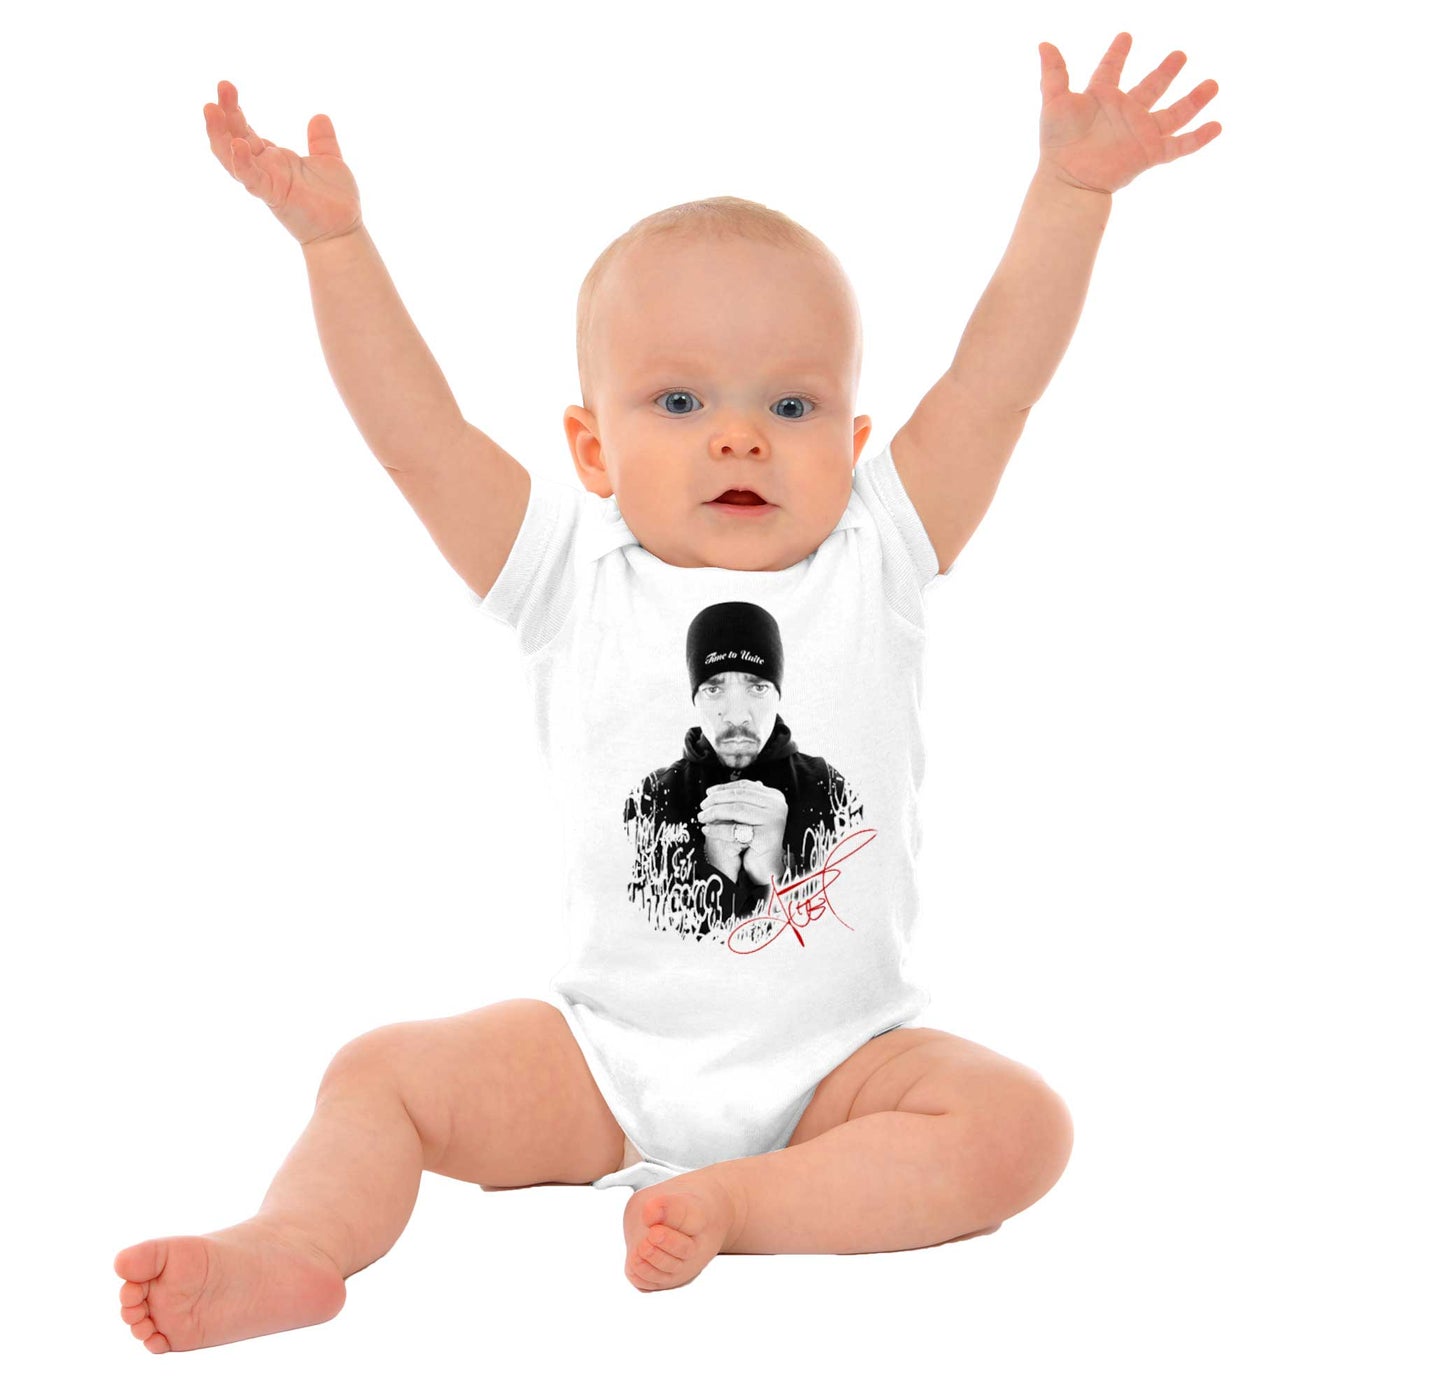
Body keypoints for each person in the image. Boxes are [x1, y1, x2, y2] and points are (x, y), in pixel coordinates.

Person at [116, 32, 1221, 1349]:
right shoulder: (567, 577)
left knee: (1021, 1126)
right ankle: (291, 1245)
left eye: (794, 405)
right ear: (591, 444)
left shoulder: (879, 553)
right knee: (378, 1075)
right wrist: (337, 252)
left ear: (854, 442)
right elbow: (418, 438)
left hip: (845, 1070)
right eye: (681, 398)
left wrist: (1071, 197)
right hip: (600, 1061)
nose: (741, 433)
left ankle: (745, 1200)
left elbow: (995, 384)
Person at [623, 600, 865, 942]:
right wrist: (715, 871)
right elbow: (640, 940)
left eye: (757, 687)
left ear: (778, 694)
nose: (737, 715)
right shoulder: (652, 798)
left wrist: (779, 870)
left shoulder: (829, 789)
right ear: (695, 698)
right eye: (714, 688)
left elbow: (854, 927)